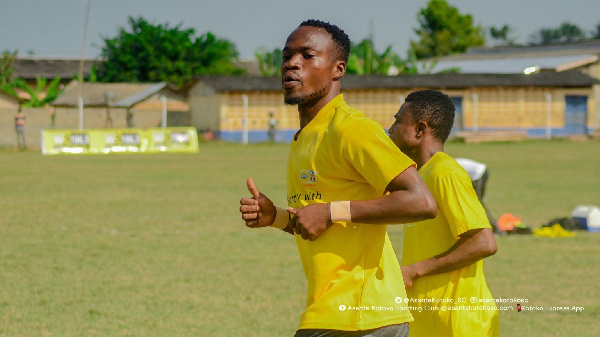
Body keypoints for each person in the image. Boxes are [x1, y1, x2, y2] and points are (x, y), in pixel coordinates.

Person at [239, 20, 437, 337]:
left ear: (337, 69)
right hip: (337, 313)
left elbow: (421, 202)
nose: (292, 63)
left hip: (362, 315)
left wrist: (332, 211)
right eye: (287, 56)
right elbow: (318, 224)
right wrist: (276, 217)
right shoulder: (304, 139)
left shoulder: (351, 129)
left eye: (307, 55)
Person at [387, 90, 499, 337]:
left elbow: (484, 242)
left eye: (397, 121)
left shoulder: (445, 173)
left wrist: (414, 270)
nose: (390, 129)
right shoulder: (421, 175)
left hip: (459, 323)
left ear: (420, 129)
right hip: (431, 320)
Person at [454, 158, 502, 233]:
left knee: (478, 204)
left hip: (479, 174)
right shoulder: (448, 162)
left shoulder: (447, 166)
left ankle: (496, 228)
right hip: (479, 172)